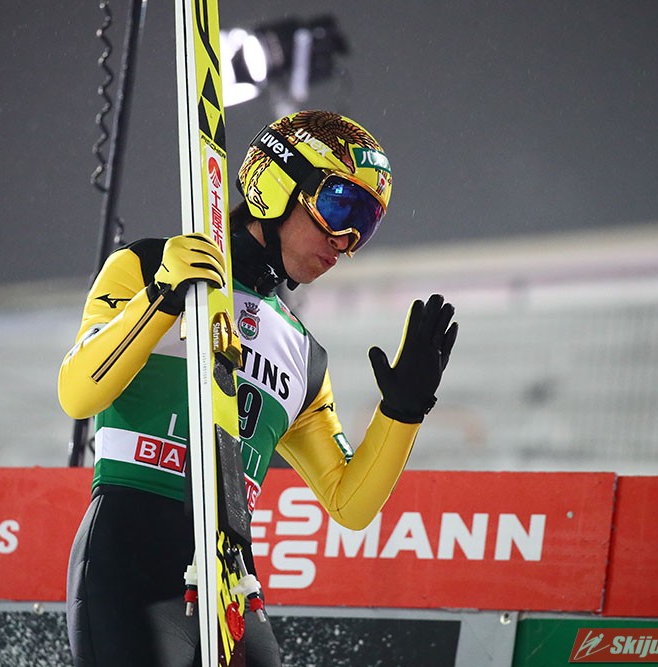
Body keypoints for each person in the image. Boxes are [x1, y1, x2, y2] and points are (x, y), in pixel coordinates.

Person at [57, 109, 458, 667]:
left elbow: (350, 503)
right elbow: (78, 394)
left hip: (233, 583)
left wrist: (403, 411)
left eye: (364, 226)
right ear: (277, 184)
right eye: (341, 208)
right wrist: (161, 296)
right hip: (129, 560)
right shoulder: (148, 265)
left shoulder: (303, 354)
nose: (346, 241)